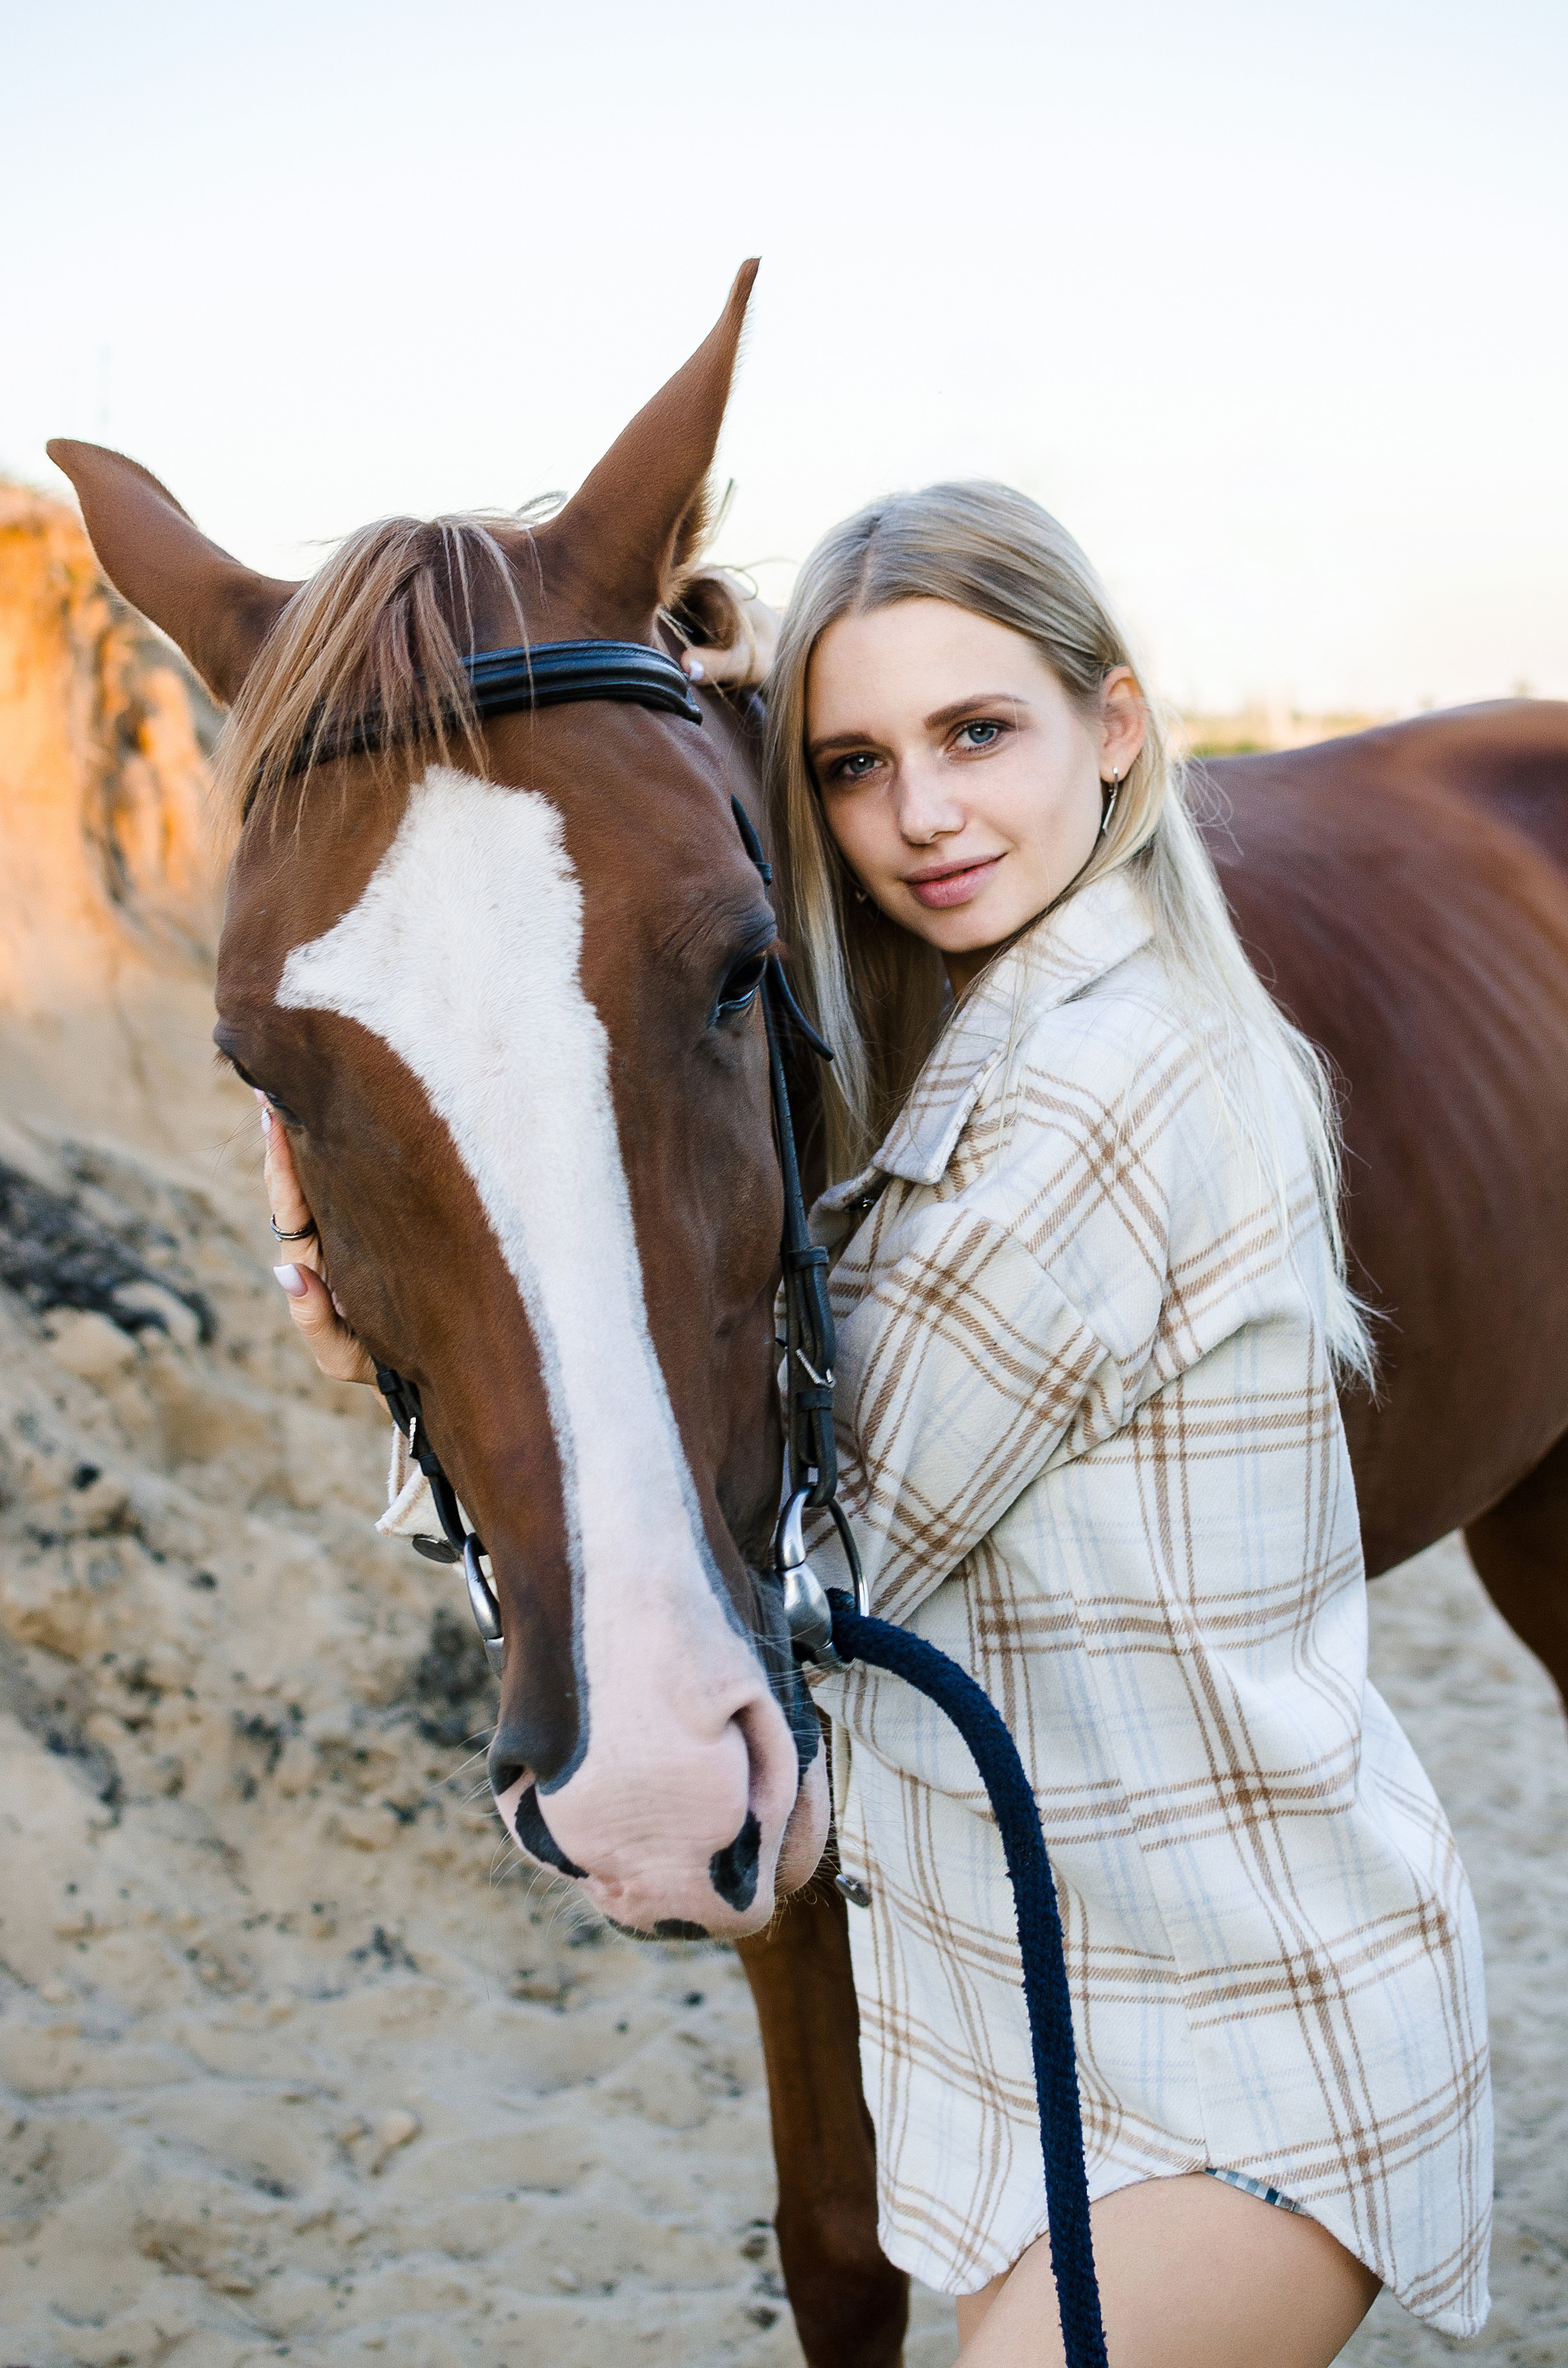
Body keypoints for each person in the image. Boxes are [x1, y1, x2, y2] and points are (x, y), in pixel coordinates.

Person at [262, 504, 1490, 2367]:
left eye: (979, 733)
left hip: (1237, 2063)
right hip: (1069, 2062)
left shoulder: (1108, 1092)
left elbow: (776, 1587)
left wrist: (393, 1379)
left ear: (1120, 727)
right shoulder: (996, 1036)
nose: (921, 814)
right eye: (852, 763)